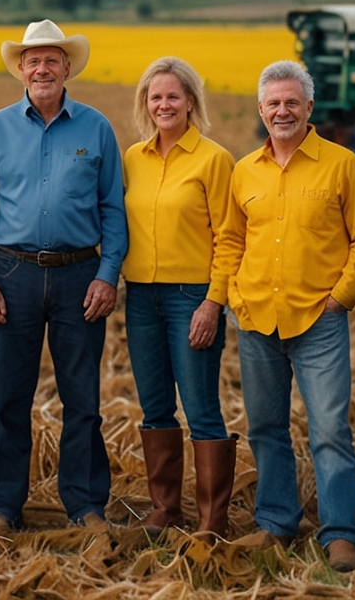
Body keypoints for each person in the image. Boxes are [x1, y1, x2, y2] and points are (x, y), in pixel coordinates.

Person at [0, 19, 128, 535]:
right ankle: (1, 507)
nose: (42, 68)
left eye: (51, 59)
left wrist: (107, 274)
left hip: (81, 275)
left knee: (83, 399)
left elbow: (113, 211)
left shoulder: (96, 127)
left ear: (68, 67)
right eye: (32, 60)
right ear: (20, 69)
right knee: (10, 398)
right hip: (13, 274)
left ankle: (85, 505)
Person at [220, 60, 355, 571]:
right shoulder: (245, 170)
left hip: (319, 320)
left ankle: (340, 534)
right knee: (266, 427)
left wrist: (341, 297)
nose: (282, 111)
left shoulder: (342, 165)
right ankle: (276, 523)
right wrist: (233, 297)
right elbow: (229, 238)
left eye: (292, 102)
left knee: (330, 429)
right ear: (262, 110)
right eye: (273, 104)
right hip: (257, 321)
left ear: (309, 108)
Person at [121, 57, 237, 540]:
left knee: (201, 407)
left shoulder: (214, 159)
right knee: (154, 407)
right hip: (140, 296)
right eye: (155, 97)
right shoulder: (132, 158)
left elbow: (230, 237)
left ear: (191, 101)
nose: (164, 104)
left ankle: (212, 520)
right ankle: (166, 510)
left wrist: (213, 303)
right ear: (146, 105)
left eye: (173, 96)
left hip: (193, 296)